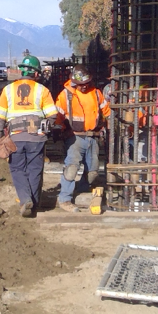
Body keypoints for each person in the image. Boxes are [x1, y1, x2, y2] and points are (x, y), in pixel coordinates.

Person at [0, 54, 57, 218]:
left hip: (15, 137)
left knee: (17, 169)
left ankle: (25, 200)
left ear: (21, 71)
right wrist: (45, 130)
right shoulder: (42, 90)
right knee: (35, 169)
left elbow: (0, 116)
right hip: (37, 137)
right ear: (36, 74)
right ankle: (33, 205)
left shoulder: (8, 90)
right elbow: (52, 115)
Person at [55, 66, 110, 212]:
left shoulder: (97, 94)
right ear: (74, 82)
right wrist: (57, 130)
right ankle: (65, 198)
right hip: (74, 138)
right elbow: (58, 116)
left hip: (93, 137)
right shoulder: (66, 95)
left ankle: (81, 192)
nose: (84, 86)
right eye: (81, 84)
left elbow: (107, 111)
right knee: (72, 168)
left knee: (92, 171)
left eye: (87, 83)